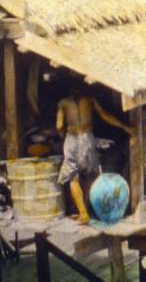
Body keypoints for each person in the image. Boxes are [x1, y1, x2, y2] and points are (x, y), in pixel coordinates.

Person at [56, 86, 137, 224]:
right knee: (90, 175)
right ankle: (94, 210)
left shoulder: (63, 103)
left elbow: (59, 125)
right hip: (87, 138)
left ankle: (83, 213)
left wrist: (62, 134)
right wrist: (125, 127)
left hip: (72, 138)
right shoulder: (90, 100)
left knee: (73, 178)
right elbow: (104, 115)